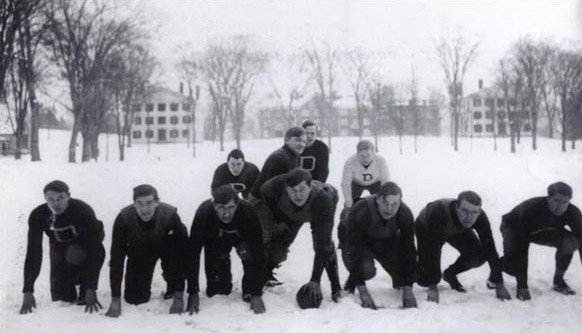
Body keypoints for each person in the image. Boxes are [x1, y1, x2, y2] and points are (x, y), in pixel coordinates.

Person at [254, 168, 341, 307]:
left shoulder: (323, 200)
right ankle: (265, 274)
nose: (298, 195)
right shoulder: (274, 187)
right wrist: (281, 218)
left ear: (310, 187)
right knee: (277, 246)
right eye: (293, 190)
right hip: (290, 213)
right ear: (286, 188)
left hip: (317, 211)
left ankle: (336, 287)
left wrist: (315, 280)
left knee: (323, 245)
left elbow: (323, 244)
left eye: (302, 190)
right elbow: (263, 192)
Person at [20, 180, 106, 315]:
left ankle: (81, 279)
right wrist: (28, 290)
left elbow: (96, 250)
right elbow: (33, 252)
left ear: (69, 196)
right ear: (45, 199)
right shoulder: (38, 215)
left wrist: (91, 287)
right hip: (58, 244)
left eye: (61, 198)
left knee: (74, 254)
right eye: (51, 199)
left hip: (86, 242)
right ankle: (69, 281)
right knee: (63, 298)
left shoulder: (82, 210)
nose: (56, 203)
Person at [105, 184, 189, 317]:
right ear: (134, 204)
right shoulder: (124, 219)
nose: (145, 209)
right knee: (135, 299)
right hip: (140, 252)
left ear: (157, 202)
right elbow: (117, 260)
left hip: (167, 247)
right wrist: (115, 298)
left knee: (176, 256)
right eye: (140, 204)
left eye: (149, 203)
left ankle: (172, 284)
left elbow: (182, 256)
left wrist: (179, 297)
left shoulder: (170, 215)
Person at [415, 191, 511, 303]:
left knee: (478, 256)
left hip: (457, 230)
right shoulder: (439, 212)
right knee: (425, 279)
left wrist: (499, 284)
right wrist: (432, 286)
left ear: (479, 211)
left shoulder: (480, 217)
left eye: (474, 212)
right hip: (427, 227)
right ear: (457, 207)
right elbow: (434, 250)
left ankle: (450, 274)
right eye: (465, 211)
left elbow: (490, 248)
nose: (469, 217)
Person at [186, 185, 266, 314]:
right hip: (216, 239)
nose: (227, 213)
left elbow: (259, 252)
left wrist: (257, 293)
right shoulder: (204, 213)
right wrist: (193, 291)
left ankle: (249, 288)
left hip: (242, 238)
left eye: (231, 207)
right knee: (217, 291)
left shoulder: (248, 212)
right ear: (214, 205)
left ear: (238, 204)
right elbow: (193, 253)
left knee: (251, 263)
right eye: (221, 208)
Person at [499, 182, 582, 300]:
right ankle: (496, 269)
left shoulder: (573, 212)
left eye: (565, 202)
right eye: (556, 201)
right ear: (548, 198)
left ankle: (558, 281)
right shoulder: (531, 209)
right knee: (513, 264)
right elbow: (523, 246)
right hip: (513, 227)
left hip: (542, 230)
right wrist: (522, 287)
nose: (560, 207)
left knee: (571, 242)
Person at [341, 182, 417, 309]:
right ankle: (352, 280)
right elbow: (354, 250)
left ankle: (397, 278)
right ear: (377, 199)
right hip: (357, 242)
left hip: (384, 239)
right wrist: (363, 291)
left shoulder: (405, 213)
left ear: (400, 203)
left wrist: (408, 288)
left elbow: (409, 248)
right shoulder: (361, 209)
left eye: (394, 205)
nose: (389, 209)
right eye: (385, 203)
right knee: (366, 270)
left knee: (414, 274)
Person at [338, 140, 390, 247]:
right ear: (357, 154)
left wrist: (385, 199)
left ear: (373, 153)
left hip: (376, 182)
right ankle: (343, 238)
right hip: (356, 182)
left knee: (382, 206)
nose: (365, 159)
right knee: (348, 208)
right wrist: (349, 202)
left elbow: (386, 181)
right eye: (362, 156)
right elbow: (346, 183)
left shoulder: (380, 160)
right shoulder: (350, 161)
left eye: (368, 155)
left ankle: (385, 233)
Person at [249, 126, 306, 200]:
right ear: (287, 140)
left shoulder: (294, 156)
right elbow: (273, 188)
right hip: (260, 200)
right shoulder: (281, 158)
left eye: (304, 141)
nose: (301, 144)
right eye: (298, 140)